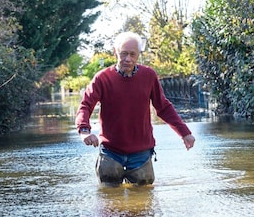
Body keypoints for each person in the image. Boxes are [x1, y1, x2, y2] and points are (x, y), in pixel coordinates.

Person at [75, 31, 196, 187]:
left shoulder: (149, 76)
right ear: (115, 52)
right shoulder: (102, 78)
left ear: (139, 53)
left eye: (133, 54)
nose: (128, 59)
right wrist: (84, 130)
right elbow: (86, 105)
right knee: (109, 202)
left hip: (141, 153)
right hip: (111, 152)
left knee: (144, 203)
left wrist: (184, 133)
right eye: (123, 53)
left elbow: (163, 107)